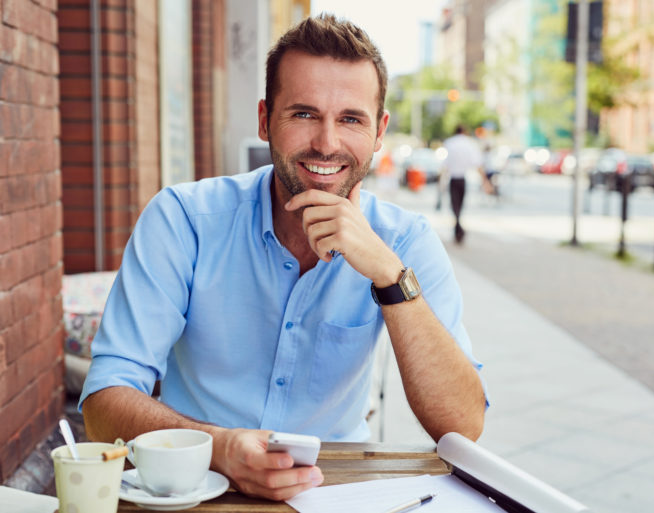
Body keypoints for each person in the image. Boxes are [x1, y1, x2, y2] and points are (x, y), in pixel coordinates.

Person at [79, 14, 486, 502]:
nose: (327, 144)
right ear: (264, 119)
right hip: (196, 485)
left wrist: (389, 277)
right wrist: (220, 447)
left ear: (379, 132)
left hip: (334, 491)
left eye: (350, 119)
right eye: (304, 114)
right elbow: (103, 403)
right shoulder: (184, 219)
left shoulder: (405, 243)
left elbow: (462, 427)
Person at [442, 125, 488, 243]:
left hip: (453, 178)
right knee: (460, 205)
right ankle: (458, 227)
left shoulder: (450, 143)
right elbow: (477, 163)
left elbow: (444, 164)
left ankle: (458, 227)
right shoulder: (468, 143)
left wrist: (440, 181)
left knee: (454, 205)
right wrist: (485, 181)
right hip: (462, 178)